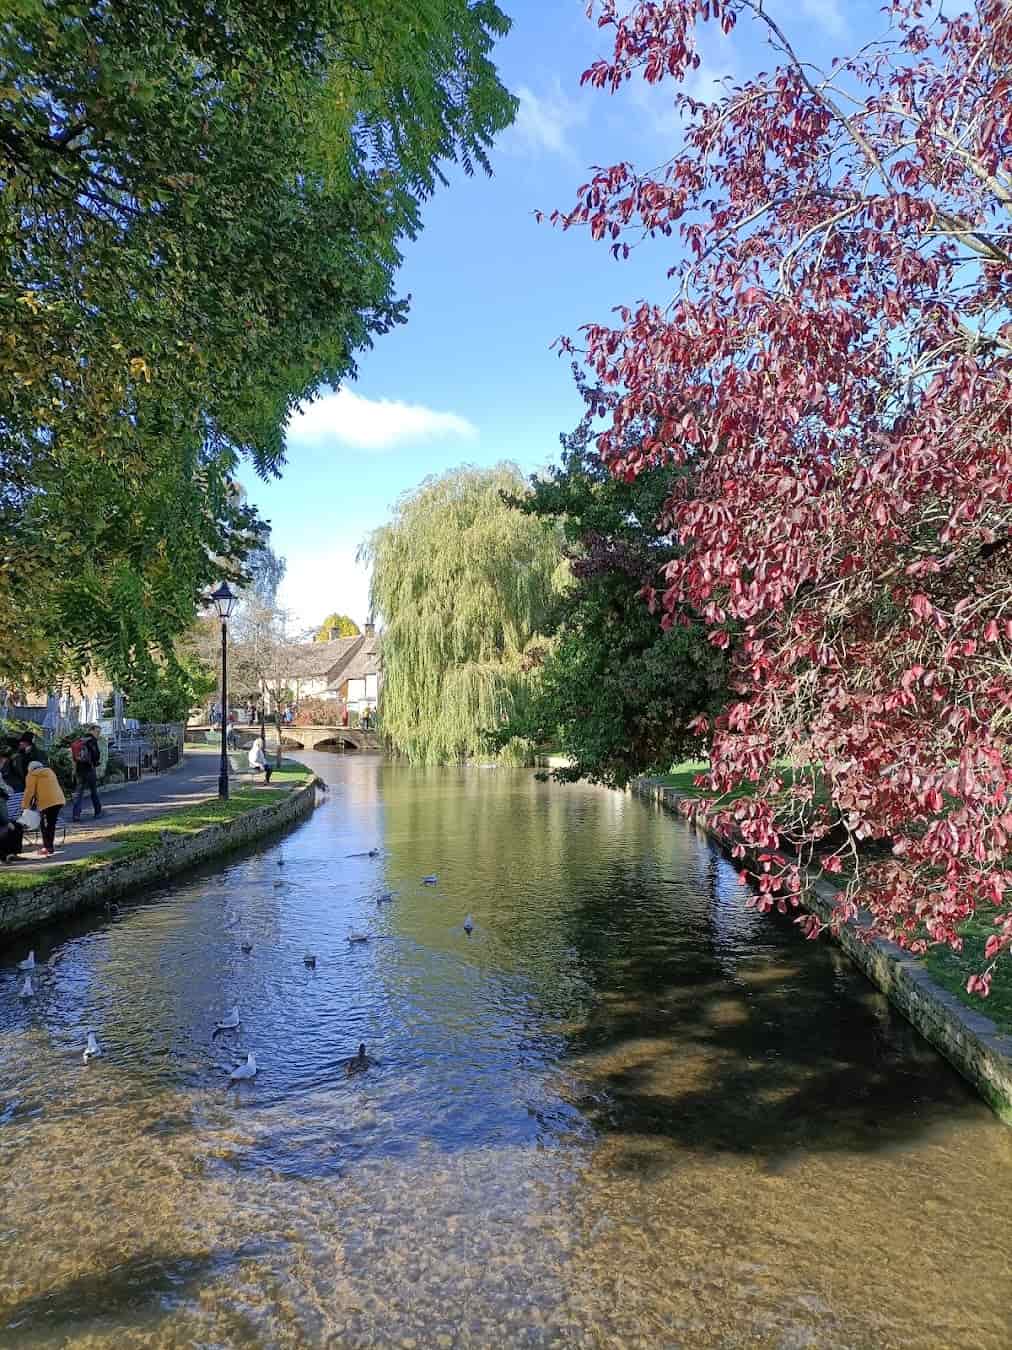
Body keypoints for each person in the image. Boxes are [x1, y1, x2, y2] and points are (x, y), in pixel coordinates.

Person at [22, 759, 66, 856]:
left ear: (30, 769)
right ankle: (49, 847)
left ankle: (47, 847)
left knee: (43, 825)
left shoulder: (32, 775)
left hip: (46, 802)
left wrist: (25, 806)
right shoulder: (50, 771)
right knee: (51, 824)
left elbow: (29, 791)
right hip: (58, 800)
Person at [70, 726, 103, 822]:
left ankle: (76, 815)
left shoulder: (80, 739)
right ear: (91, 731)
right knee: (94, 792)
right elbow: (96, 755)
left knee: (79, 793)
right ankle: (98, 811)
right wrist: (96, 762)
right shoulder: (92, 740)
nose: (98, 734)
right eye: (97, 732)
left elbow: (74, 756)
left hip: (80, 770)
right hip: (89, 769)